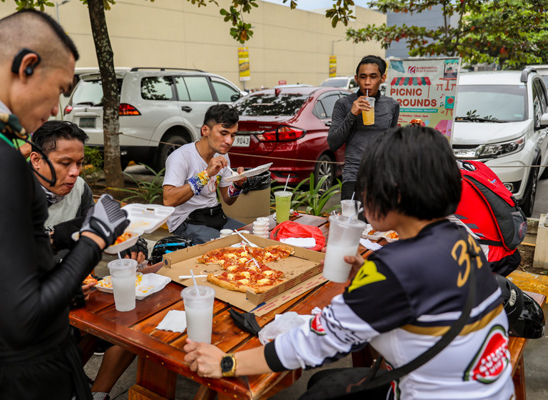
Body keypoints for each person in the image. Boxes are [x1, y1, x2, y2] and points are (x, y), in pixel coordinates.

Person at [184, 126, 513, 399]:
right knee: (324, 386)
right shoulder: (460, 234)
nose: (361, 195)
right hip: (490, 389)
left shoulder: (395, 267)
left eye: (368, 185)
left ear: (395, 192)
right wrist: (373, 282)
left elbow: (317, 341)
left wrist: (227, 363)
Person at [0, 9, 129, 400]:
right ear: (27, 66)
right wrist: (94, 238)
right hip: (20, 371)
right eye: (60, 89)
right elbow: (24, 317)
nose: (56, 109)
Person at [30, 120, 139, 400]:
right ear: (36, 160)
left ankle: (96, 392)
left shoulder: (79, 188)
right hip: (29, 304)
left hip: (75, 283)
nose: (75, 173)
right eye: (65, 163)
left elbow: (95, 230)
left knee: (134, 321)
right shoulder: (11, 196)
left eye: (79, 163)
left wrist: (126, 242)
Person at [163, 104, 246, 245]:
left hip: (215, 217)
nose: (229, 141)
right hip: (186, 221)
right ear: (205, 130)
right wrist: (206, 174)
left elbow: (228, 199)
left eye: (233, 135)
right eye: (223, 133)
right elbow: (168, 200)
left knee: (250, 237)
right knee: (227, 246)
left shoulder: (223, 156)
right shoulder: (181, 156)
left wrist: (237, 185)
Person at [327, 55, 400, 201]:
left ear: (382, 78)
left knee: (379, 224)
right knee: (354, 223)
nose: (367, 83)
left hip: (382, 178)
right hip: (353, 177)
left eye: (373, 77)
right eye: (363, 77)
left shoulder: (392, 105)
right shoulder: (344, 104)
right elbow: (333, 143)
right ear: (356, 79)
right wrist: (352, 114)